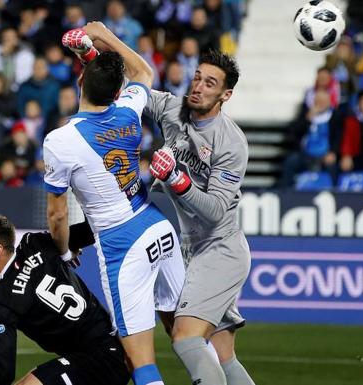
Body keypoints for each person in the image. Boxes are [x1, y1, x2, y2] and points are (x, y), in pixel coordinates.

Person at [44, 23, 185, 385]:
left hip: (123, 244)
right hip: (157, 226)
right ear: (118, 91)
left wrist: (62, 254)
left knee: (139, 360)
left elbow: (57, 214)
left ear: (79, 84)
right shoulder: (128, 110)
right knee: (188, 336)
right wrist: (103, 35)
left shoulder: (61, 140)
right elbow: (143, 71)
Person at [146, 49, 256, 385]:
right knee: (223, 355)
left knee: (185, 335)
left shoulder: (231, 142)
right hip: (188, 251)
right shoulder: (172, 111)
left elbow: (214, 211)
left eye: (210, 83)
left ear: (226, 95)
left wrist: (178, 181)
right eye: (198, 78)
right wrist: (95, 51)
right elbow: (130, 89)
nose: (198, 87)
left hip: (219, 249)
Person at [0, 214, 129, 385]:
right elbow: (88, 230)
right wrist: (68, 248)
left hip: (99, 360)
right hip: (116, 345)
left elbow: (3, 374)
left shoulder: (1, 303)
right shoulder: (34, 243)